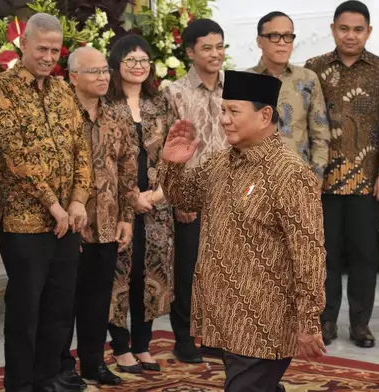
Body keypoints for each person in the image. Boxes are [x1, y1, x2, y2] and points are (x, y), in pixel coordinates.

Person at [159, 70, 327, 392]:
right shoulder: (222, 162)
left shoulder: (291, 174)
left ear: (265, 116)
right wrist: (172, 165)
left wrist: (308, 320)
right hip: (228, 315)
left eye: (234, 111)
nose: (224, 119)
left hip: (266, 319)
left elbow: (309, 254)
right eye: (223, 110)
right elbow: (184, 197)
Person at [0, 13, 91, 392]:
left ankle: (50, 376)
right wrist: (54, 204)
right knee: (27, 309)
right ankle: (21, 382)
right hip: (23, 221)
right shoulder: (2, 89)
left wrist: (78, 201)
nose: (48, 56)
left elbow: (81, 149)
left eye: (55, 50)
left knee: (60, 304)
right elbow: (16, 154)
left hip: (67, 219)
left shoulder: (63, 91)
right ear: (23, 45)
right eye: (41, 48)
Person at [305, 0, 379, 348]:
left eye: (358, 29)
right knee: (325, 253)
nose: (350, 35)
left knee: (364, 255)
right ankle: (326, 319)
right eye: (344, 28)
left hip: (367, 181)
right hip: (322, 181)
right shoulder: (313, 68)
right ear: (333, 29)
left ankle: (360, 323)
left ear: (368, 32)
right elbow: (304, 124)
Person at [58, 47, 138, 387]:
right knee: (62, 304)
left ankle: (93, 363)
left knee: (96, 300)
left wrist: (127, 217)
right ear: (74, 77)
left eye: (106, 70)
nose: (104, 76)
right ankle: (61, 368)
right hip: (67, 226)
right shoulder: (60, 115)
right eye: (94, 72)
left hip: (106, 225)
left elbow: (127, 170)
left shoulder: (116, 118)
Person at [106, 34, 175, 373]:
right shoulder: (105, 104)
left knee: (149, 275)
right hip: (116, 206)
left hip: (157, 206)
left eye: (144, 60)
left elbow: (177, 157)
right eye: (130, 60)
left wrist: (154, 196)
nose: (138, 66)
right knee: (119, 276)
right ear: (116, 64)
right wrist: (130, 197)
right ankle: (120, 348)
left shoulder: (161, 102)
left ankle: (143, 346)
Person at [164, 18, 228, 364]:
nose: (215, 54)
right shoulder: (174, 92)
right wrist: (177, 196)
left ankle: (216, 335)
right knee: (189, 269)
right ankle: (184, 336)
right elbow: (166, 146)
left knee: (222, 269)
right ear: (190, 52)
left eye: (220, 46)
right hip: (191, 195)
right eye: (207, 47)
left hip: (229, 194)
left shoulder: (234, 87)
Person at [249, 11, 330, 183]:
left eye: (288, 36)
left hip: (299, 181)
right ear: (259, 41)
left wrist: (315, 178)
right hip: (255, 182)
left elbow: (320, 133)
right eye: (274, 36)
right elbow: (235, 134)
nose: (282, 43)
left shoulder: (308, 79)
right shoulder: (245, 80)